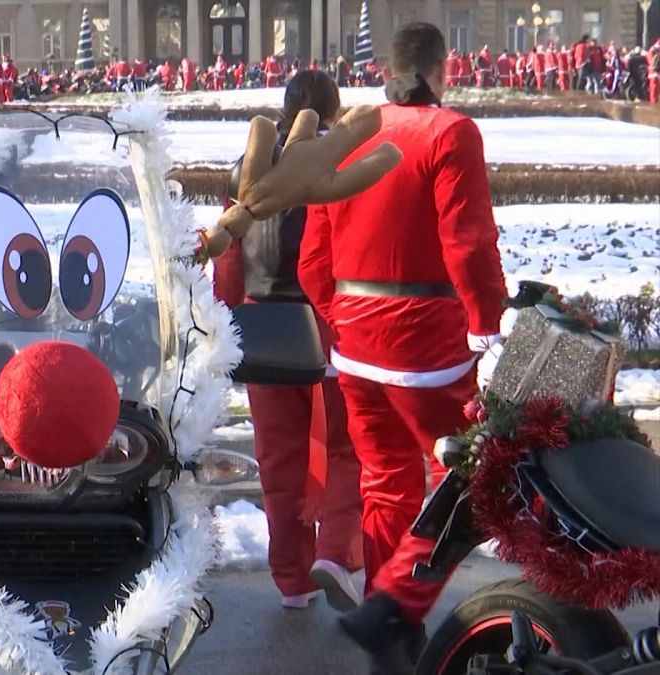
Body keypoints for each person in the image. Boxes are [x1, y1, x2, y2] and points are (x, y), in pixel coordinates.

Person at [298, 23, 505, 673]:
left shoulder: (349, 136)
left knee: (387, 484)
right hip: (425, 345)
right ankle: (395, 603)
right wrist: (488, 326)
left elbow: (313, 258)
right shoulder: (451, 132)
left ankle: (390, 626)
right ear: (441, 70)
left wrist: (344, 319)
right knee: (468, 478)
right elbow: (467, 242)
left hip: (356, 343)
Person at [214, 69, 363, 613]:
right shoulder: (335, 165)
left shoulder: (246, 167)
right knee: (342, 450)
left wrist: (230, 320)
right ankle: (336, 552)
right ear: (333, 110)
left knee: (279, 460)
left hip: (262, 324)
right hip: (323, 324)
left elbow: (229, 255)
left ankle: (291, 580)